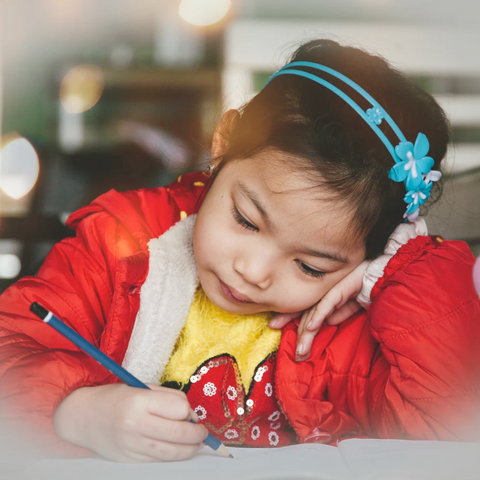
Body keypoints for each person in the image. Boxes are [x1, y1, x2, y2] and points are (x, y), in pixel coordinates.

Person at [0, 39, 479, 463]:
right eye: (246, 220)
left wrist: (402, 267)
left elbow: (452, 425)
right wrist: (74, 413)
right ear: (224, 143)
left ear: (362, 261)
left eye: (310, 266)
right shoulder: (121, 244)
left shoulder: (353, 318)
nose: (252, 272)